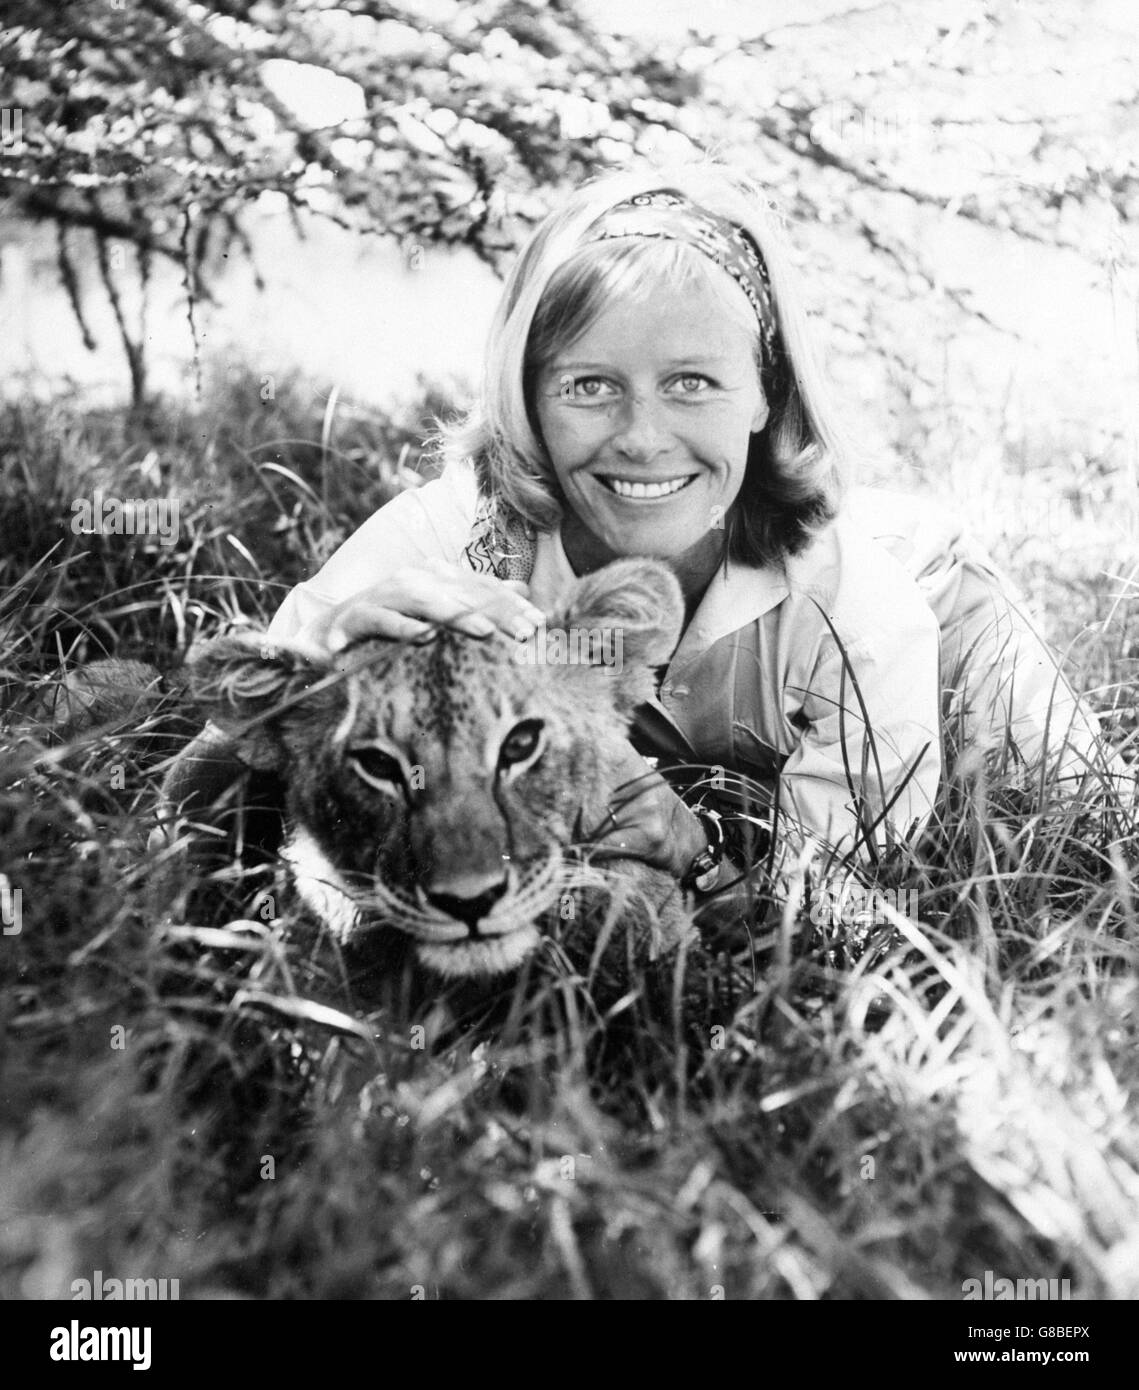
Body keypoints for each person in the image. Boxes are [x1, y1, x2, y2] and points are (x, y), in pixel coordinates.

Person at [164, 160, 1130, 911]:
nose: (640, 437)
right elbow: (198, 787)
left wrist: (701, 862)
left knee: (1100, 828)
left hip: (936, 617)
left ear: (766, 395)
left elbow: (821, 915)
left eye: (692, 382)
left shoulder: (864, 610)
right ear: (528, 401)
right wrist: (333, 672)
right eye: (588, 385)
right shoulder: (451, 539)